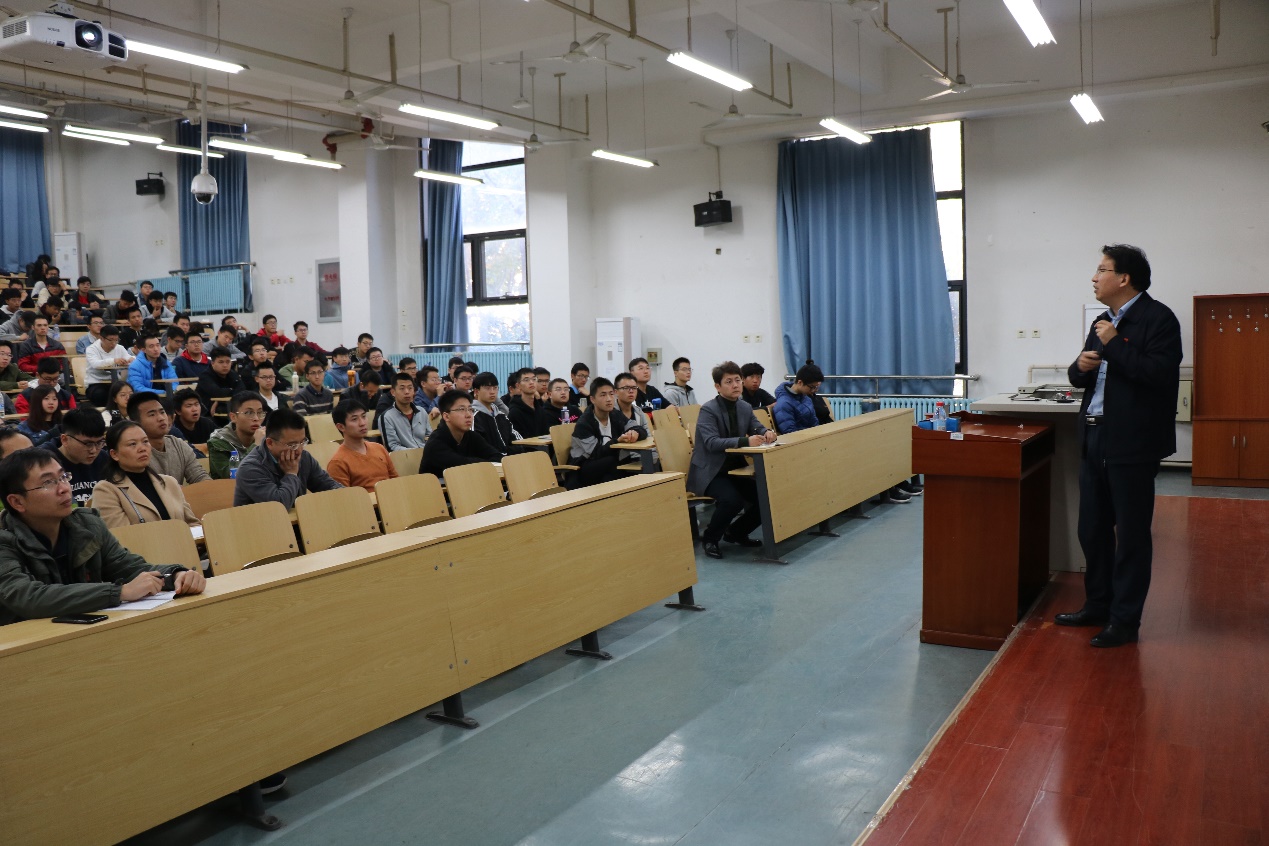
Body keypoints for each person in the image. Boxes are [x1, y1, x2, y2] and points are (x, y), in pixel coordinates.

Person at [1056, 244, 1183, 649]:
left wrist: (1114, 344)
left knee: (1130, 535)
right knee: (1091, 529)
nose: (1094, 278)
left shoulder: (1159, 319)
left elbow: (1158, 375)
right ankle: (1097, 605)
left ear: (1124, 278)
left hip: (1132, 442)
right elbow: (1081, 378)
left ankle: (1125, 620)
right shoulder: (1102, 321)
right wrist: (1079, 366)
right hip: (1093, 435)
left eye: (1102, 270)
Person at [0, 449, 204, 626]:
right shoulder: (4, 540)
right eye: (48, 483)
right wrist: (119, 592)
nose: (64, 488)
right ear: (17, 502)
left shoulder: (87, 525)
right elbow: (28, 597)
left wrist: (175, 575)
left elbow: (128, 567)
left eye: (63, 477)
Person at [687, 361, 776, 559]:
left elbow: (756, 426)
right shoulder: (708, 410)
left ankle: (735, 533)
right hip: (711, 471)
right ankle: (710, 538)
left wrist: (767, 432)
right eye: (729, 381)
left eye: (737, 380)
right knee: (731, 500)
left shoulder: (744, 406)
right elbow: (711, 443)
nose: (735, 385)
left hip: (735, 469)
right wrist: (745, 441)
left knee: (765, 496)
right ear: (717, 387)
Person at [88, 421, 200, 529]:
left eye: (145, 441)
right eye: (132, 444)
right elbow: (121, 536)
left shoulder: (170, 482)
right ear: (114, 454)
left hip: (181, 541)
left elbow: (192, 525)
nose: (142, 448)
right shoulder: (106, 490)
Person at [233, 408, 342, 508]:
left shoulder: (303, 457)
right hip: (259, 522)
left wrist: (346, 495)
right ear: (270, 443)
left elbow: (328, 485)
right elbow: (280, 506)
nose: (299, 450)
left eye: (303, 442)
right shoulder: (250, 468)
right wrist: (291, 474)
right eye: (292, 445)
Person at [568, 377, 646, 488]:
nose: (609, 399)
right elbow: (596, 453)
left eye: (611, 394)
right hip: (583, 468)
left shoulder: (615, 414)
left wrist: (635, 432)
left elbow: (638, 428)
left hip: (608, 466)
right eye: (603, 395)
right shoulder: (584, 424)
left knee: (621, 468)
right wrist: (617, 442)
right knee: (614, 462)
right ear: (592, 399)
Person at [128, 391, 210, 485]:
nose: (161, 418)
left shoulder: (179, 444)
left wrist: (209, 486)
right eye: (152, 414)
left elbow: (199, 476)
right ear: (135, 422)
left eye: (162, 412)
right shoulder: (136, 452)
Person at [420, 390, 502, 476]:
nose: (468, 415)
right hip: (438, 484)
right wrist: (486, 463)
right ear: (446, 416)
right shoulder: (436, 443)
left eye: (470, 409)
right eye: (461, 409)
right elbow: (462, 465)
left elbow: (497, 457)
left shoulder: (471, 436)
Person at [327, 400, 398, 492]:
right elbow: (344, 497)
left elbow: (396, 481)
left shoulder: (379, 448)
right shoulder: (338, 462)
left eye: (364, 416)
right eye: (354, 419)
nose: (362, 423)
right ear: (341, 427)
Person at [47, 409, 107, 508]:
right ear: (65, 440)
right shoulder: (45, 461)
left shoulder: (104, 459)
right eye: (87, 444)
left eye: (99, 442)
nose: (93, 450)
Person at [207, 392, 266, 479]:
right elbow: (231, 476)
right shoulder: (218, 442)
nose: (256, 418)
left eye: (260, 413)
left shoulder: (267, 438)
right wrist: (256, 446)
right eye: (249, 413)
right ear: (233, 417)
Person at [471, 371, 523, 457]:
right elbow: (479, 447)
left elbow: (518, 440)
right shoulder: (473, 417)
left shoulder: (501, 416)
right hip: (489, 462)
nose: (492, 392)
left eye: (495, 388)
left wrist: (508, 453)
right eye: (487, 388)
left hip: (509, 460)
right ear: (476, 391)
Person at [380, 372, 431, 451]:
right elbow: (392, 447)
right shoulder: (387, 417)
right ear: (393, 392)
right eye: (402, 388)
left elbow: (429, 436)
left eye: (410, 388)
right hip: (403, 457)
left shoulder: (421, 411)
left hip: (425, 454)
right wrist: (416, 453)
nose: (407, 392)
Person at [197, 347, 246, 423]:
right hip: (207, 414)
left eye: (228, 362)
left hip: (228, 409)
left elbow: (242, 390)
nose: (225, 365)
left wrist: (218, 401)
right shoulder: (205, 376)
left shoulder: (232, 374)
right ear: (212, 363)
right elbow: (217, 392)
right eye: (221, 362)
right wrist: (231, 391)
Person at [772, 363, 823, 434]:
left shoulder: (806, 399)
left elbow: (814, 423)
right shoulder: (784, 404)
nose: (813, 391)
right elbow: (790, 432)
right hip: (799, 439)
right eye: (811, 387)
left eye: (815, 387)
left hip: (810, 436)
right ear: (800, 382)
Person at [506, 368, 541, 440]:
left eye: (534, 379)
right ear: (518, 385)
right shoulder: (515, 412)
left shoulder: (539, 408)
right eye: (526, 380)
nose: (531, 382)